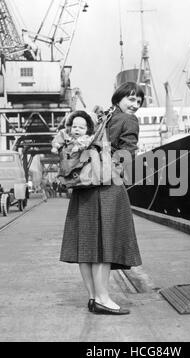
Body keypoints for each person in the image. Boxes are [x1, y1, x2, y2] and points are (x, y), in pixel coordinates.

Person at [60, 82, 144, 315]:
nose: (135, 105)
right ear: (118, 98)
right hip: (106, 187)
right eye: (131, 99)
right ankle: (104, 299)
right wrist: (117, 172)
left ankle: (93, 297)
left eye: (138, 101)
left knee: (86, 246)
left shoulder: (104, 118)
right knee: (104, 245)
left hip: (84, 185)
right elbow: (126, 154)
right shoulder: (129, 120)